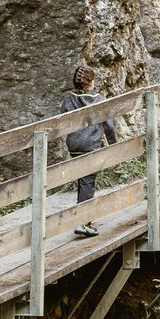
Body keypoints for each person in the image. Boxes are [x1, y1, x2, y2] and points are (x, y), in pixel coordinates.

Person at [61, 63, 115, 238]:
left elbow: (63, 121)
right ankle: (83, 223)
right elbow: (108, 125)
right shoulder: (98, 99)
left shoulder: (68, 99)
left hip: (74, 145)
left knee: (82, 180)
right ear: (90, 82)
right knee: (88, 183)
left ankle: (83, 220)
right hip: (90, 145)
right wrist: (114, 145)